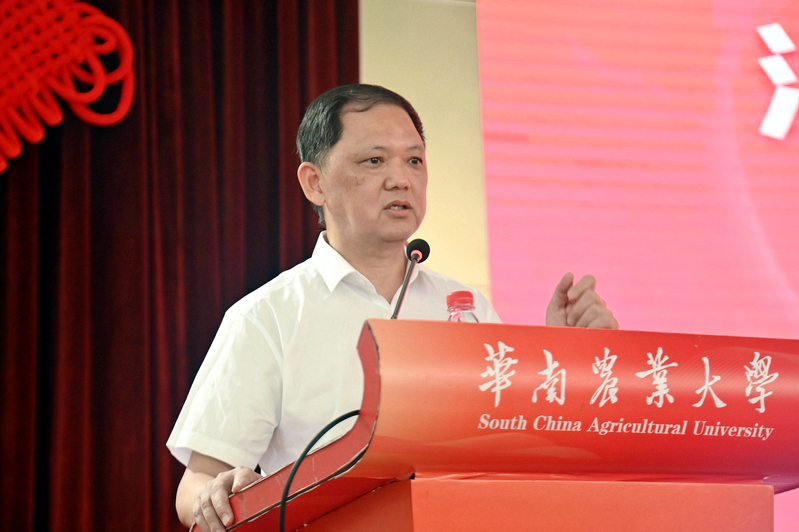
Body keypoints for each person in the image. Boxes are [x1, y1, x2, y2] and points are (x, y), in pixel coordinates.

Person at [168, 84, 618, 532]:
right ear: (315, 182)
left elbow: (519, 450)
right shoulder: (267, 317)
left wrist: (567, 357)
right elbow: (197, 484)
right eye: (375, 160)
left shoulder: (466, 308)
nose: (401, 178)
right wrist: (213, 497)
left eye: (414, 160)